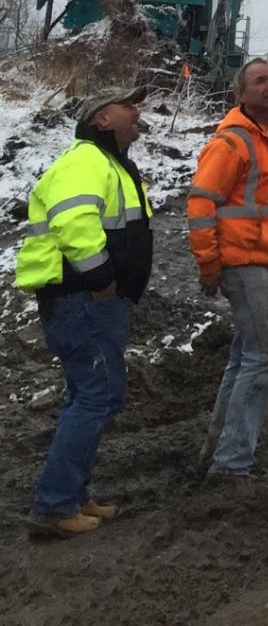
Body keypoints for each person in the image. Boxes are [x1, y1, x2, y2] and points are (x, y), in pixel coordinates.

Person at [16, 86, 152, 539]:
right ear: (101, 119)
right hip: (84, 301)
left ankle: (71, 494)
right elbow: (73, 223)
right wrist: (102, 281)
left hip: (88, 302)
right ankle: (54, 505)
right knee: (97, 396)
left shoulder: (109, 164)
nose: (137, 110)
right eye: (128, 104)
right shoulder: (86, 161)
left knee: (92, 396)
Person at [187, 56, 268, 479]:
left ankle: (218, 451)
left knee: (244, 356)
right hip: (244, 261)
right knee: (262, 356)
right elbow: (201, 204)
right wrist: (209, 263)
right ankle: (232, 463)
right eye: (259, 82)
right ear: (241, 94)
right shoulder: (231, 142)